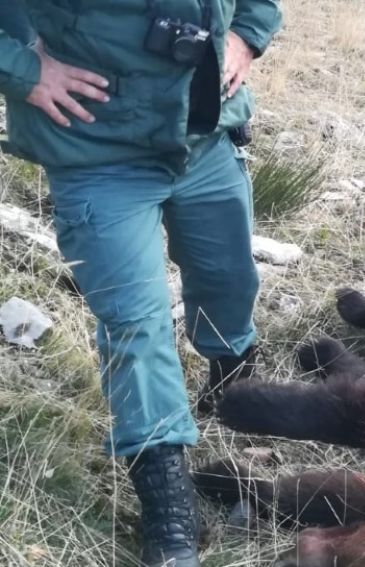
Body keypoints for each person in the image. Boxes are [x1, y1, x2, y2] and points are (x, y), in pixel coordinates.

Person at [0, 2, 282, 565]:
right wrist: (23, 70)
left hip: (205, 136)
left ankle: (230, 379)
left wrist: (246, 38)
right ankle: (166, 497)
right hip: (96, 149)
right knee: (135, 323)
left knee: (229, 282)